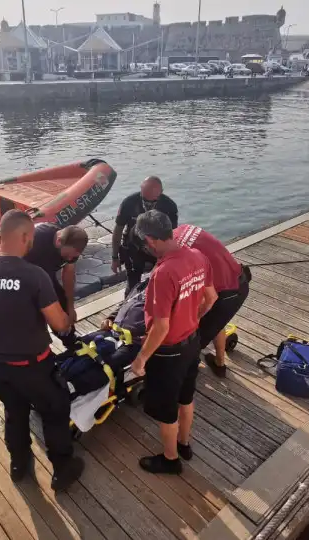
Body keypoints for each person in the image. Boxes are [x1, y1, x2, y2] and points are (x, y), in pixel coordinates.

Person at [0, 210, 85, 491]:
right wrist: (68, 315)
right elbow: (58, 322)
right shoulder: (34, 276)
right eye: (30, 238)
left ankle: (19, 464)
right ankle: (63, 468)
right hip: (34, 365)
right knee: (54, 411)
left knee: (14, 412)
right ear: (25, 236)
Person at [131, 210, 217, 475]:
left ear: (150, 240)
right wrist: (192, 317)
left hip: (168, 354)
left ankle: (170, 460)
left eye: (145, 244)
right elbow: (211, 297)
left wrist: (142, 358)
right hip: (192, 343)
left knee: (166, 411)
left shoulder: (164, 272)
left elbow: (161, 326)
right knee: (186, 398)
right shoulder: (198, 256)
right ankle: (184, 444)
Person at [173, 224, 250, 378]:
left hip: (226, 295)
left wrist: (193, 319)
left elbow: (209, 298)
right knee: (217, 322)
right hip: (239, 278)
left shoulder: (176, 256)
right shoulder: (184, 228)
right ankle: (219, 363)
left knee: (191, 342)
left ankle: (183, 383)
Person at [24, 223, 89, 348]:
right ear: (59, 241)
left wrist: (70, 307)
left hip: (47, 278)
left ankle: (70, 342)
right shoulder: (36, 239)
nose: (70, 258)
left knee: (63, 308)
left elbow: (68, 274)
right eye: (67, 256)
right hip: (25, 282)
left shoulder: (72, 248)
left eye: (73, 257)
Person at [111, 176, 179, 295]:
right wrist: (114, 257)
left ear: (160, 193)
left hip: (157, 250)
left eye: (152, 201)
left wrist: (169, 258)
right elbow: (118, 229)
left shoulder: (169, 206)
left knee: (162, 283)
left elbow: (173, 235)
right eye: (144, 199)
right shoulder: (129, 203)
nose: (147, 204)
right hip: (133, 247)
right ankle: (128, 307)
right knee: (132, 284)